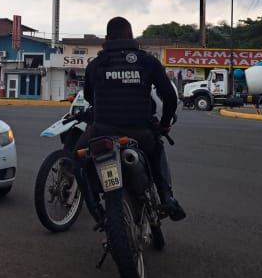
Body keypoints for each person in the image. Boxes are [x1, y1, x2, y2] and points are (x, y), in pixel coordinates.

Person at [79, 16, 185, 220]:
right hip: (140, 131)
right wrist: (164, 125)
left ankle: (95, 209)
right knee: (157, 150)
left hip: (102, 132)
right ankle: (166, 198)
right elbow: (170, 97)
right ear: (131, 35)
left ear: (107, 37)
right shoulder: (147, 61)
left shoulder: (96, 65)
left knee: (78, 158)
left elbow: (88, 97)